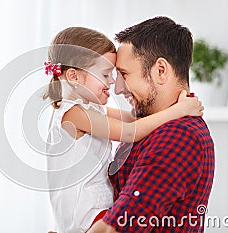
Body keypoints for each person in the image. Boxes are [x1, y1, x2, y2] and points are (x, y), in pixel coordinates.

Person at [44, 26, 203, 233]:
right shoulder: (74, 114)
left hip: (96, 208)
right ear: (73, 77)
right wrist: (178, 110)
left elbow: (132, 119)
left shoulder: (90, 109)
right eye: (106, 74)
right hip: (85, 211)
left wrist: (176, 107)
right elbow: (130, 131)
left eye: (120, 74)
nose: (113, 83)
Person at [87, 16, 215, 233]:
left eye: (124, 74)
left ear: (161, 70)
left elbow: (117, 229)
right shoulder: (152, 125)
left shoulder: (178, 137)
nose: (117, 89)